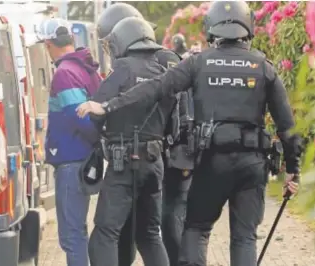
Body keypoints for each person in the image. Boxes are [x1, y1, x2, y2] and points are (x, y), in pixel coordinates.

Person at [76, 2, 301, 266]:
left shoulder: (199, 63)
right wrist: (292, 171)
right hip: (252, 166)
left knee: (196, 229)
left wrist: (108, 105)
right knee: (244, 238)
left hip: (211, 163)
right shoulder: (264, 67)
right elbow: (287, 127)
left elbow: (156, 88)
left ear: (211, 28)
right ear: (248, 27)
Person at [96, 3, 193, 266]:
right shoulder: (163, 67)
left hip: (135, 162)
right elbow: (175, 117)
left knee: (107, 233)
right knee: (148, 234)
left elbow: (97, 110)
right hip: (155, 160)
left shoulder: (128, 68)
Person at [36, 17, 101, 266]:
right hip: (84, 160)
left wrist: (94, 138)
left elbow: (81, 117)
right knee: (78, 230)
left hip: (71, 162)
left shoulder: (64, 73)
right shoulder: (87, 69)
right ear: (72, 40)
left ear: (48, 44)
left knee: (71, 236)